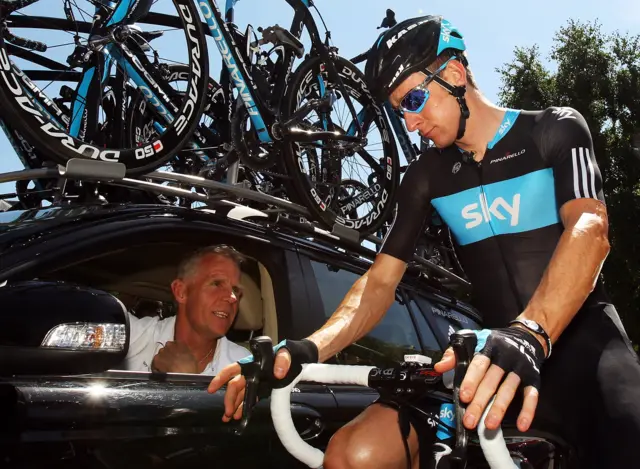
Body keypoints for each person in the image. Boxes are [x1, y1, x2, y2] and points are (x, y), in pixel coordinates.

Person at [208, 15, 640, 469]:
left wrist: (531, 331)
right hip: (493, 355)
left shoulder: (554, 129)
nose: (411, 122)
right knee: (357, 454)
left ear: (454, 74)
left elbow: (590, 228)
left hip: (587, 344)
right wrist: (305, 349)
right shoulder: (426, 177)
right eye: (400, 110)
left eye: (415, 99)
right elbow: (379, 283)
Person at [122, 244, 250, 375]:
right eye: (216, 284)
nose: (232, 298)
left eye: (236, 290)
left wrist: (187, 380)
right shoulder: (134, 338)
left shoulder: (245, 367)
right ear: (181, 291)